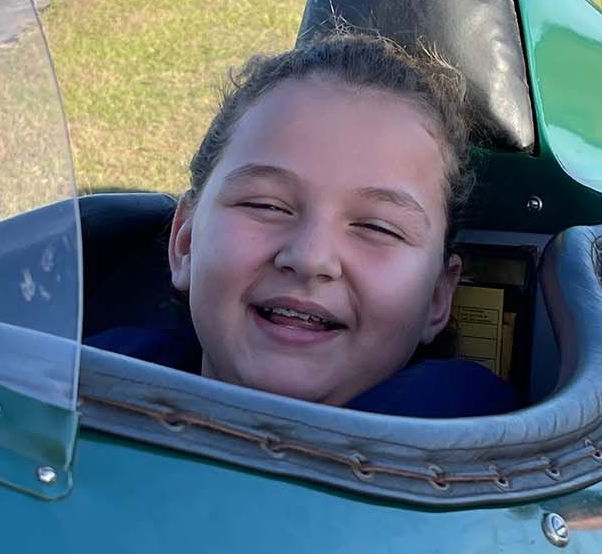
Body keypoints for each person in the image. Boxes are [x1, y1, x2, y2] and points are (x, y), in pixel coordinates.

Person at [92, 30, 519, 417]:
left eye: (378, 228)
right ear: (184, 243)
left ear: (438, 297)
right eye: (266, 206)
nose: (310, 257)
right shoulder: (79, 389)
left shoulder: (485, 451)